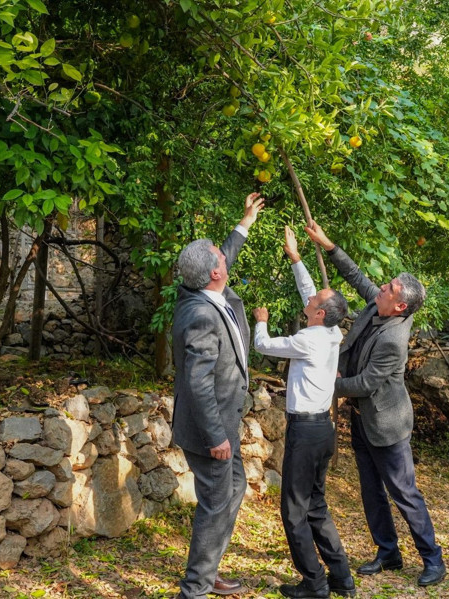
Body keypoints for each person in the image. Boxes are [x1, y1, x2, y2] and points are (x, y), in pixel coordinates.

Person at [304, 221, 447, 587]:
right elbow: (355, 276)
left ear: (400, 305)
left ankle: (433, 559)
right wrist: (328, 244)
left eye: (389, 288)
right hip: (363, 419)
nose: (381, 287)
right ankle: (388, 553)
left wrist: (327, 384)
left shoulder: (394, 339)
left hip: (387, 424)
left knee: (404, 492)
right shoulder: (378, 304)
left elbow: (366, 383)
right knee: (371, 489)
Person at [171, 192, 265, 599]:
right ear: (214, 274)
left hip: (228, 420)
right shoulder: (201, 314)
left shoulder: (204, 291)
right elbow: (198, 382)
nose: (226, 260)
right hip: (213, 432)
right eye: (221, 259)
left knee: (236, 487)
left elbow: (219, 255)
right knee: (214, 504)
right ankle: (195, 589)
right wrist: (216, 438)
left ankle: (207, 572)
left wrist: (244, 223)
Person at [252, 226, 354, 599]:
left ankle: (314, 583)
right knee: (316, 506)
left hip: (305, 433)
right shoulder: (331, 332)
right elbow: (310, 292)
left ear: (320, 313)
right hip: (322, 431)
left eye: (314, 303)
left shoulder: (308, 340)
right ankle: (342, 578)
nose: (307, 301)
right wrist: (296, 258)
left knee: (294, 511)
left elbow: (262, 344)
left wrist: (260, 317)